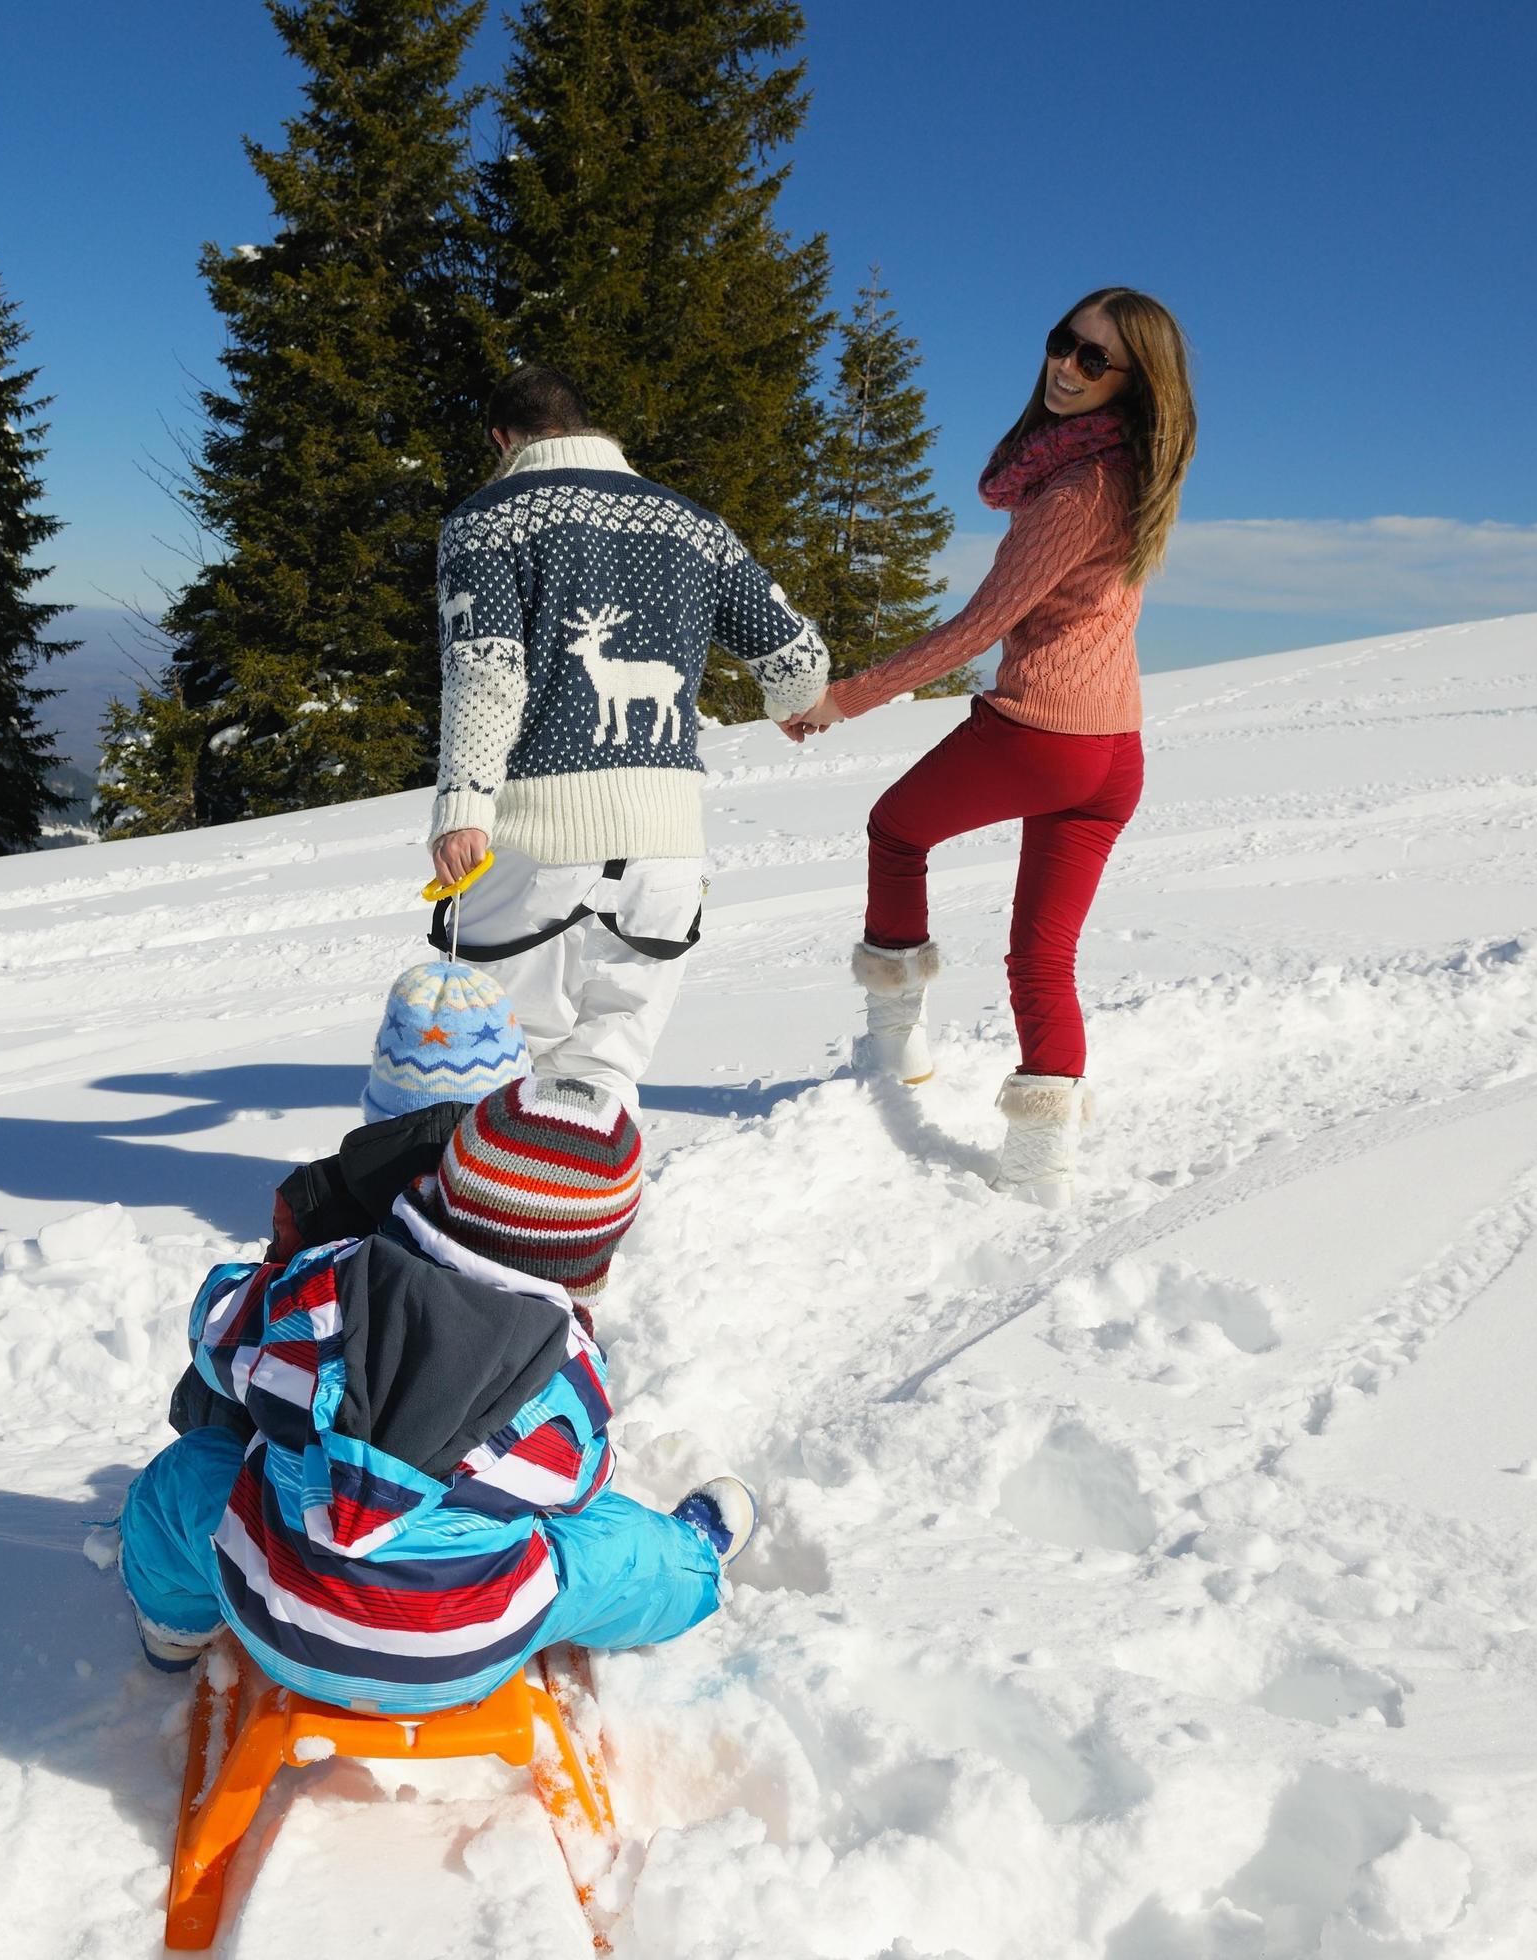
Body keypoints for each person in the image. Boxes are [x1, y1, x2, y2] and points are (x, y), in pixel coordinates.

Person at [115, 1075, 758, 1714]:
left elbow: (215, 1325)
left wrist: (270, 1284)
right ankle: (694, 1562)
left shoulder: (324, 1290)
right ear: (593, 1262)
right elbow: (583, 1486)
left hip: (272, 1616)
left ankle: (173, 1630)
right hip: (461, 1658)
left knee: (191, 1472)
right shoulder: (568, 1374)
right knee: (611, 1547)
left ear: (436, 1187)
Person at [782, 288, 1195, 1202]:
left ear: (1134, 384)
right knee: (1043, 957)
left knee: (896, 832)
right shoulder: (1123, 471)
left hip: (1040, 736)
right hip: (1112, 755)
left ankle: (895, 1052)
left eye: (1094, 361)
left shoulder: (1078, 491)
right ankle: (1039, 1171)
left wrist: (841, 699)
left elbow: (978, 626)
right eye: (1063, 343)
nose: (1066, 366)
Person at [426, 364, 830, 1110]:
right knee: (601, 1075)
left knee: (501, 1069)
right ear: (584, 424)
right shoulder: (694, 524)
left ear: (501, 440)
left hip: (536, 848)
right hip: (666, 852)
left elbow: (487, 673)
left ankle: (497, 1219)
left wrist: (464, 806)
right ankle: (588, 1216)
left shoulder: (483, 520)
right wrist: (790, 703)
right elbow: (799, 664)